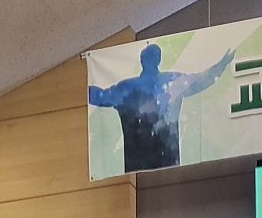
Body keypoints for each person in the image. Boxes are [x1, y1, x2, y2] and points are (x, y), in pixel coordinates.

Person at [88, 42, 234, 172]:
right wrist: (221, 66)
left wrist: (81, 89)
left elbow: (100, 96)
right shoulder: (172, 82)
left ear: (142, 61)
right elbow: (201, 80)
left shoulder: (127, 88)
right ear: (159, 60)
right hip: (164, 166)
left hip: (141, 167)